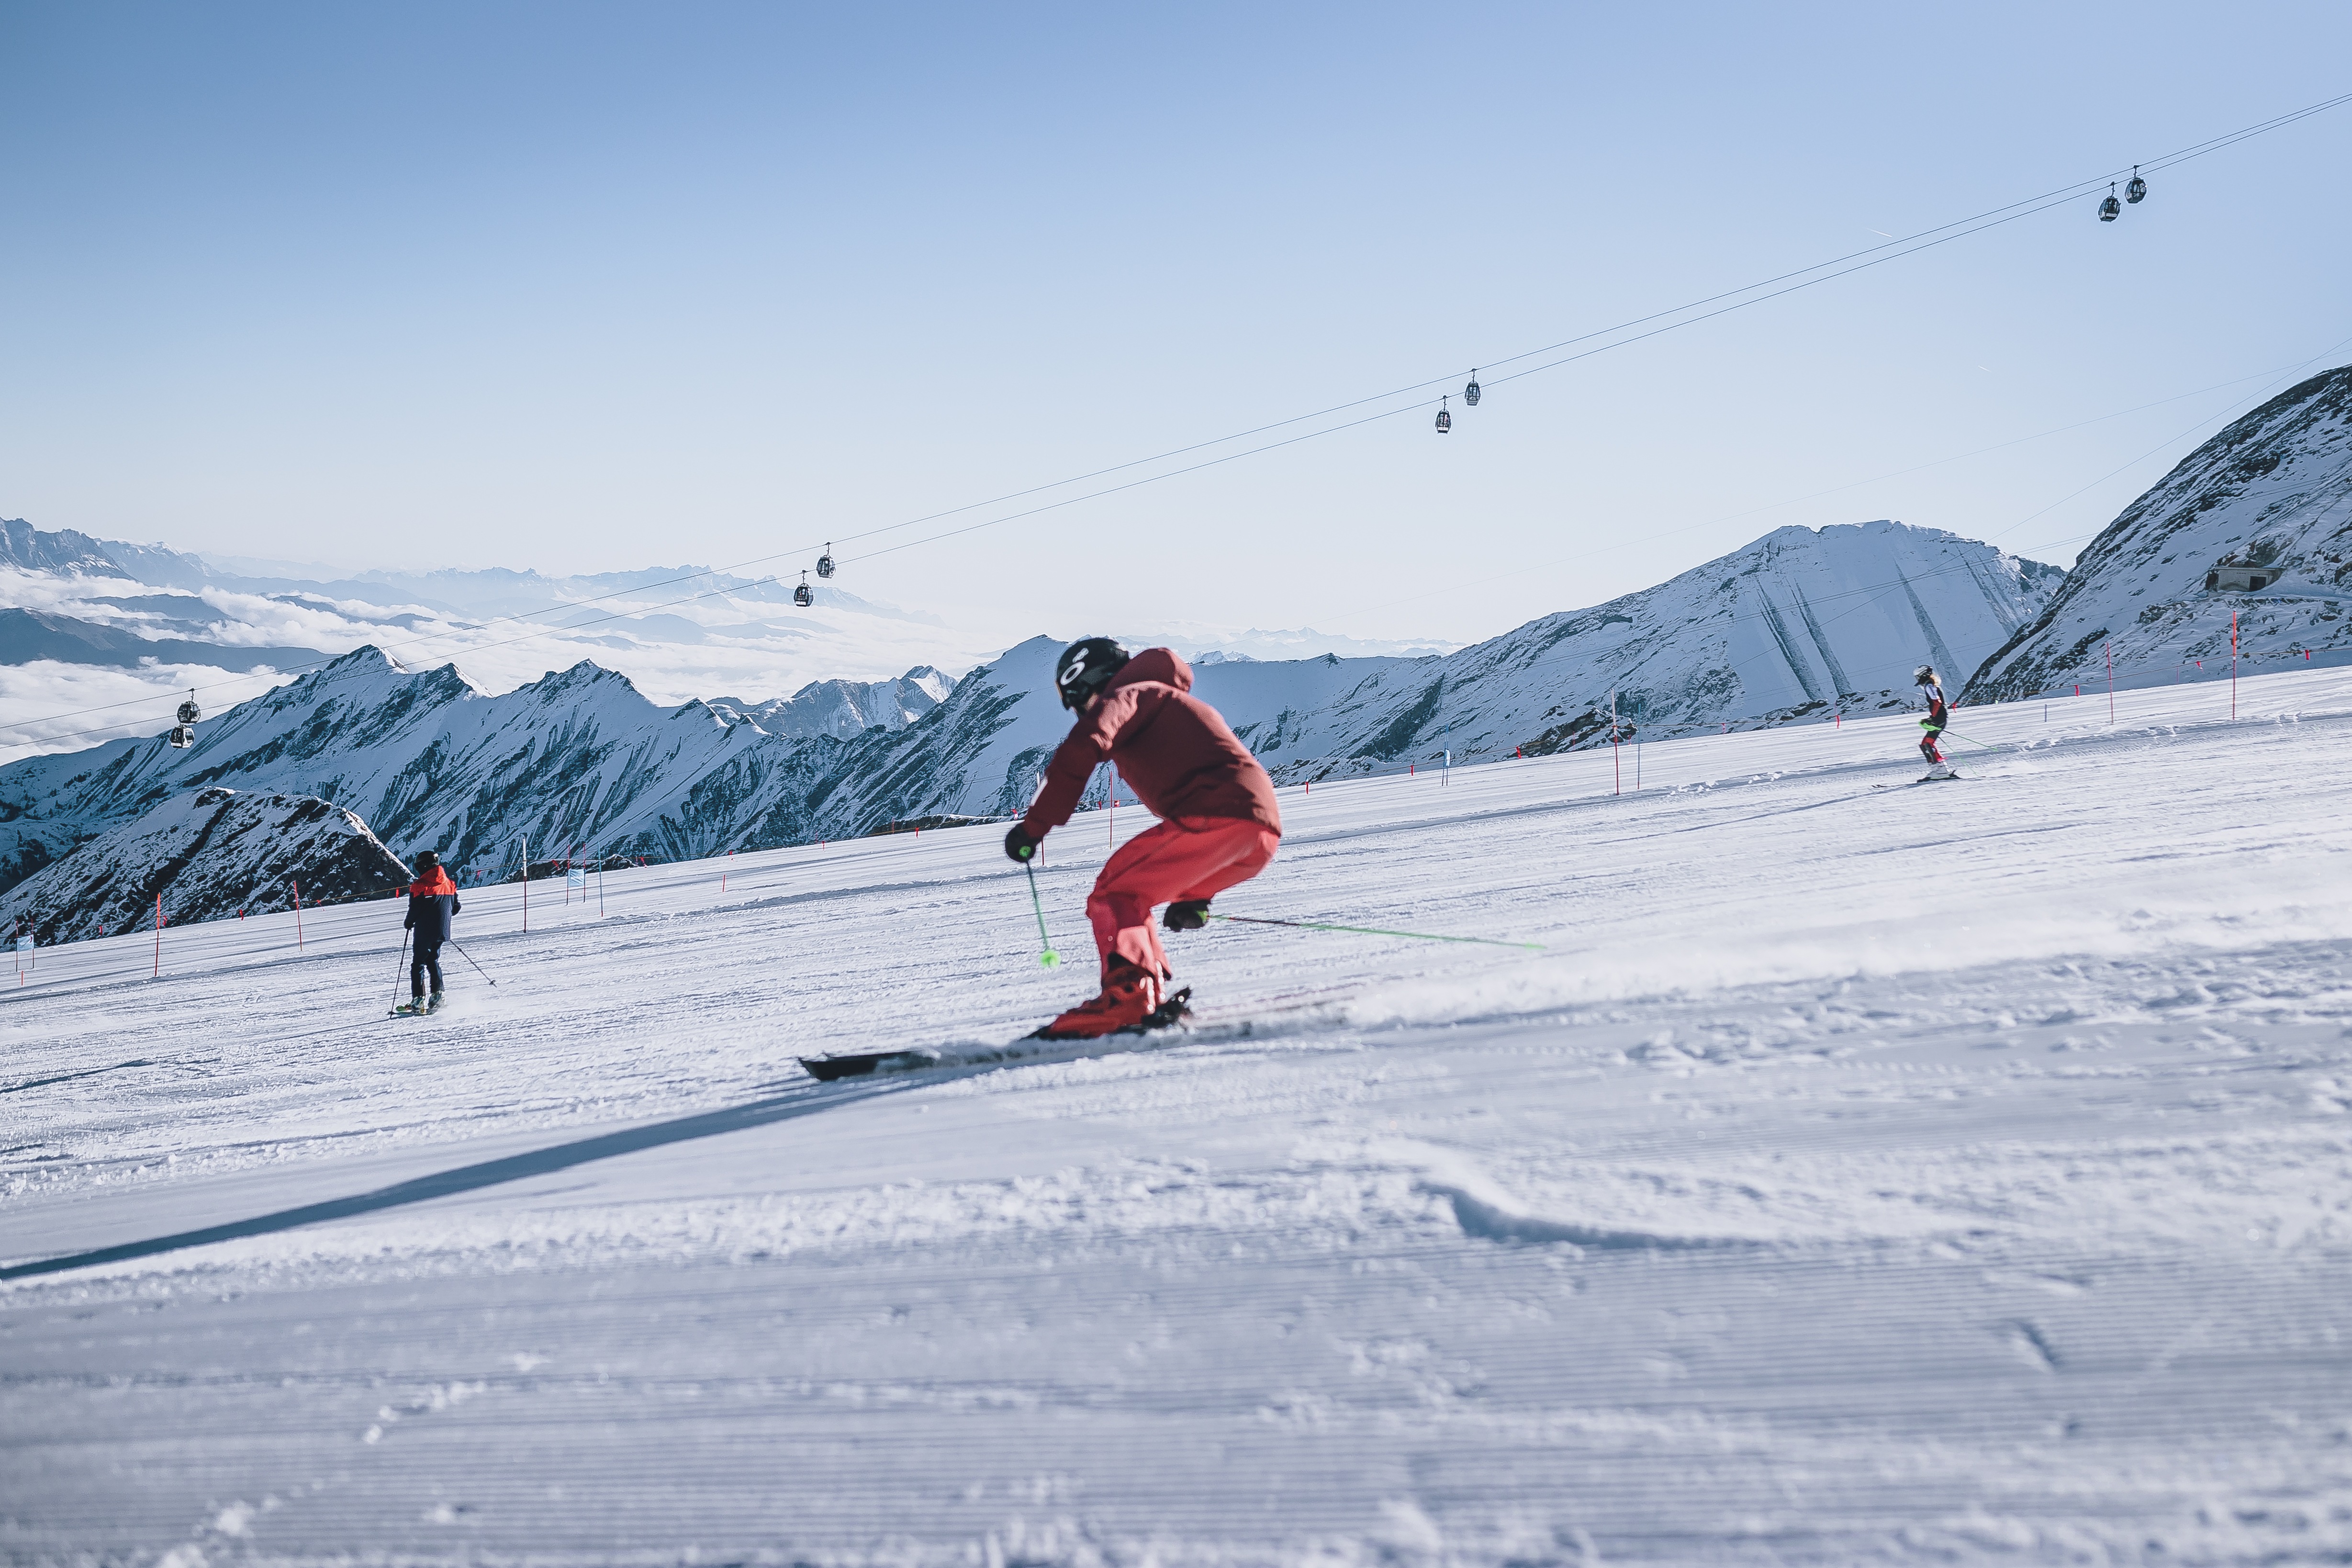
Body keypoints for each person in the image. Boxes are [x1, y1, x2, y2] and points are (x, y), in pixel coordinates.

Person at [1005, 638, 1282, 1038]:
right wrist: (1195, 897)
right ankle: (1145, 994)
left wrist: (1034, 828)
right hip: (1258, 835)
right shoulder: (1165, 699)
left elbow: (1084, 746)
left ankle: (1128, 999)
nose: (1081, 713)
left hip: (1217, 816)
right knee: (1134, 893)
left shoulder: (1130, 694)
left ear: (1086, 683)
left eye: (1077, 702)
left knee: (1114, 893)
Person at [397, 850, 461, 1014]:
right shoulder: (449, 884)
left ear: (423, 866)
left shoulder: (419, 886)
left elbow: (415, 909)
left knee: (418, 964)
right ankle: (438, 998)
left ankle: (418, 1001)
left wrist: (409, 922)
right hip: (443, 930)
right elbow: (456, 908)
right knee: (433, 961)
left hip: (424, 930)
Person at [1915, 664, 1955, 780]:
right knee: (1927, 744)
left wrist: (1933, 718)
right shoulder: (1932, 685)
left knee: (1927, 744)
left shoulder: (1929, 686)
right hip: (1940, 718)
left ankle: (1939, 770)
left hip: (1938, 719)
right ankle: (1941, 769)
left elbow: (1936, 703)